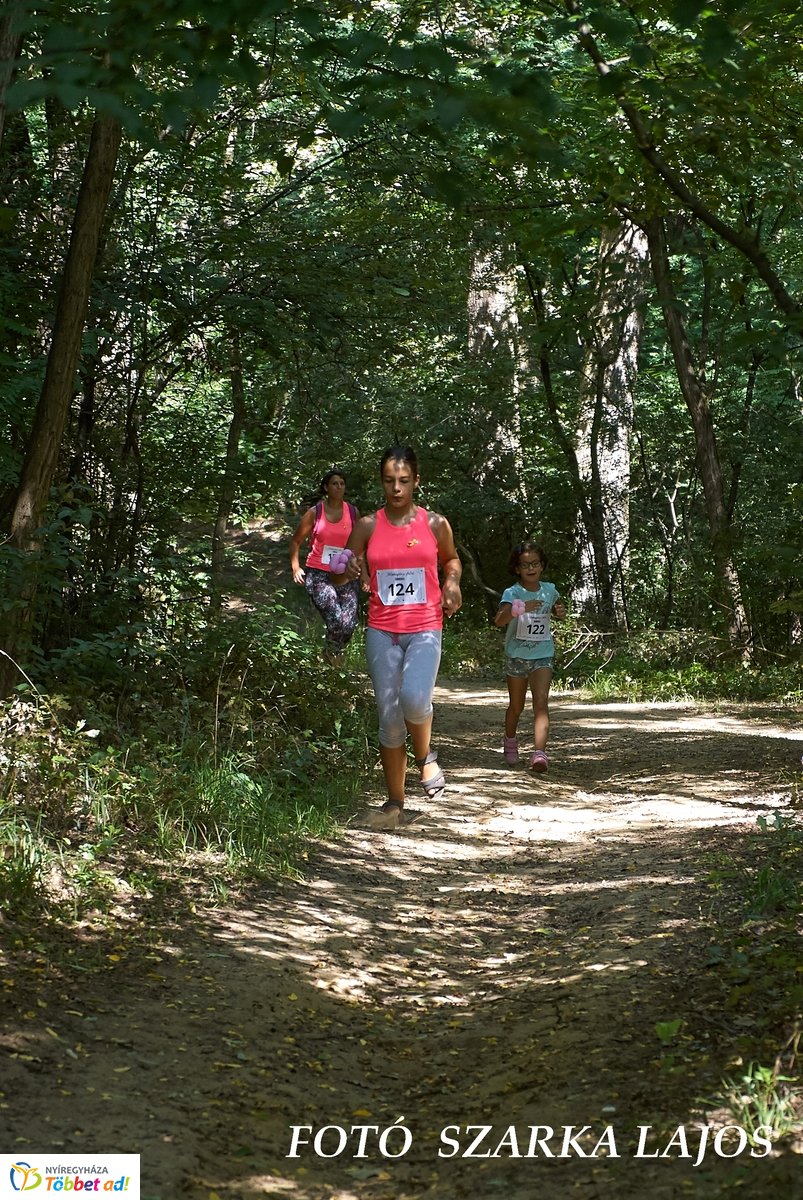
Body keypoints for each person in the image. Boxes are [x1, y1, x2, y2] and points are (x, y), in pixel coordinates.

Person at [334, 446, 462, 829]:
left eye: (404, 481)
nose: (396, 488)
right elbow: (341, 573)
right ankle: (394, 802)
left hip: (424, 625)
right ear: (381, 482)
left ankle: (424, 756)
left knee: (414, 698)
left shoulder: (435, 523)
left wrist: (452, 583)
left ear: (416, 481)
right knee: (389, 718)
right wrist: (349, 567)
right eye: (389, 481)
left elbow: (450, 559)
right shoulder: (368, 525)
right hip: (382, 630)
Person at [494, 541, 567, 772]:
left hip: (542, 654)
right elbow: (499, 620)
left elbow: (558, 610)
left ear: (542, 566)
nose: (530, 568)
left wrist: (559, 612)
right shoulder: (512, 592)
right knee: (516, 706)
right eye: (524, 564)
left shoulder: (550, 590)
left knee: (541, 702)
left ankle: (539, 753)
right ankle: (510, 741)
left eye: (535, 563)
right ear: (517, 568)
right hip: (516, 656)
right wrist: (518, 608)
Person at [289, 470, 363, 660]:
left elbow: (361, 546)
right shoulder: (315, 513)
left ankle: (329, 654)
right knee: (336, 619)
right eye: (334, 483)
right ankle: (332, 659)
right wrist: (296, 567)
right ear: (325, 488)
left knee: (349, 622)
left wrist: (364, 575)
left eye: (342, 483)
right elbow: (295, 541)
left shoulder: (353, 512)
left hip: (346, 574)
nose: (339, 487)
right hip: (319, 575)